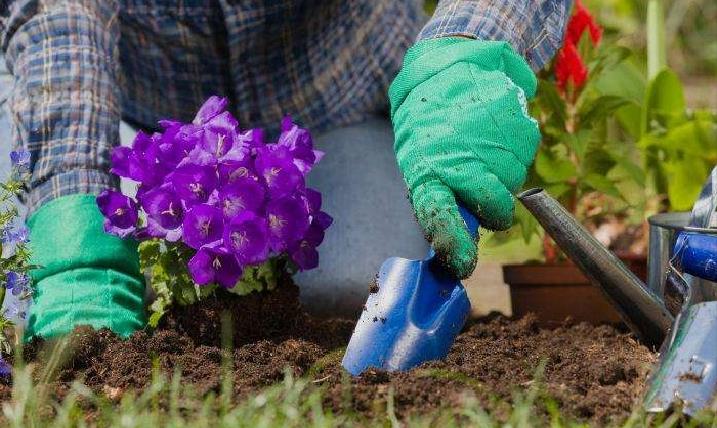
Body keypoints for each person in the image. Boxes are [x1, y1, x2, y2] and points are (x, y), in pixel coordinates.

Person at [0, 0, 572, 338]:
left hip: (336, 98)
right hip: (140, 125)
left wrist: (468, 49)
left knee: (352, 289)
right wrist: (75, 230)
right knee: (23, 290)